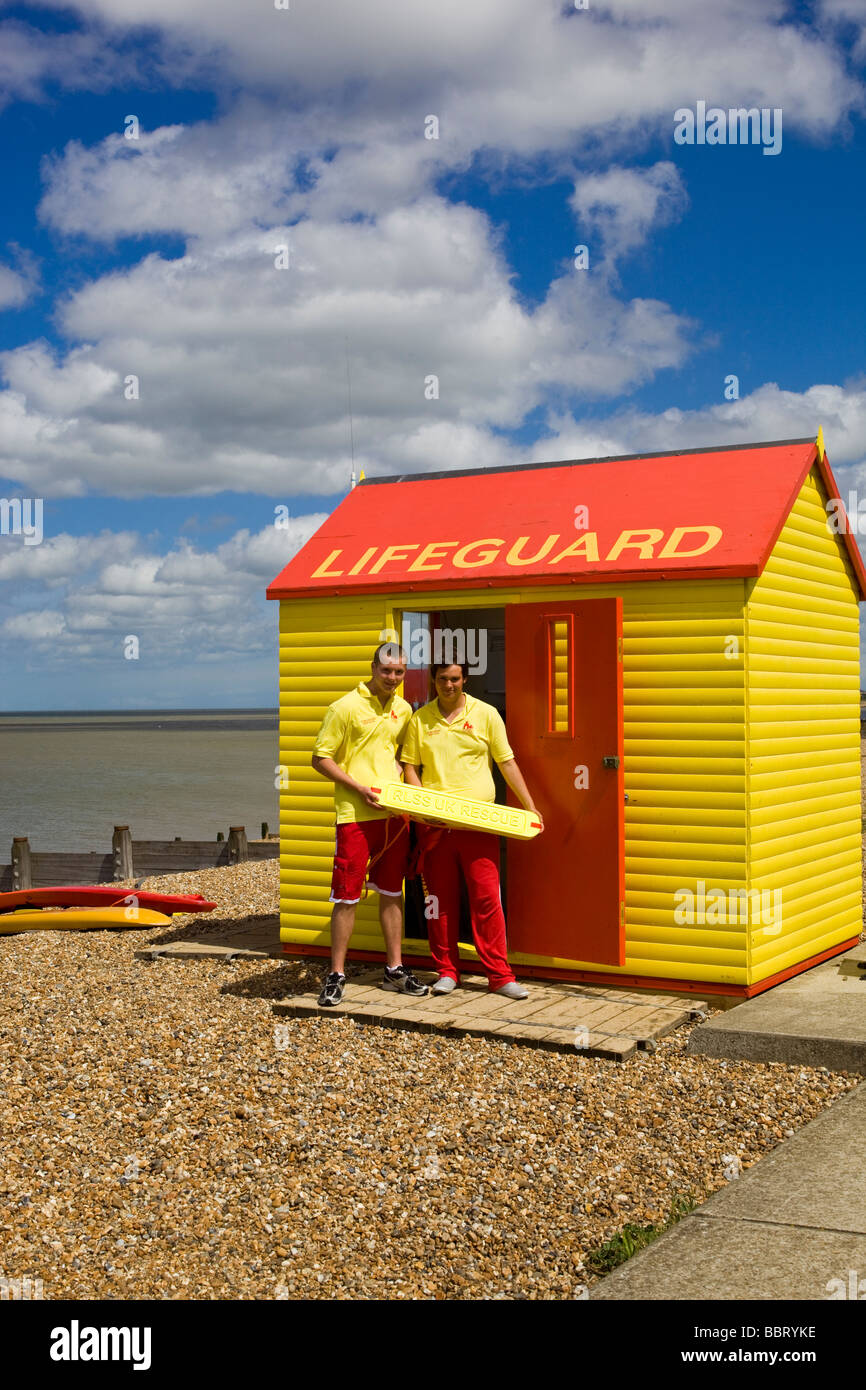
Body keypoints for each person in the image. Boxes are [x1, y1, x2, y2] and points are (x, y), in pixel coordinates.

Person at [400, 661, 542, 999]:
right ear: (433, 681)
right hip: (436, 827)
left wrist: (529, 805)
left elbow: (506, 762)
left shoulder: (487, 714)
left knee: (487, 900)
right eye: (441, 679)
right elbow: (409, 766)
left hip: (479, 825)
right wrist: (420, 810)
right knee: (438, 902)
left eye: (454, 679)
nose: (448, 685)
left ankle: (499, 976)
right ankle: (447, 971)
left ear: (464, 680)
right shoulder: (420, 720)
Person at [311, 643, 429, 1007]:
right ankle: (336, 974)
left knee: (393, 892)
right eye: (386, 671)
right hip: (355, 816)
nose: (392, 678)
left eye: (399, 672)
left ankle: (394, 970)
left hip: (393, 817)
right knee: (346, 895)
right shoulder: (343, 707)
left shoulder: (404, 708)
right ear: (373, 668)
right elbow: (320, 759)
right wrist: (359, 788)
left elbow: (400, 756)